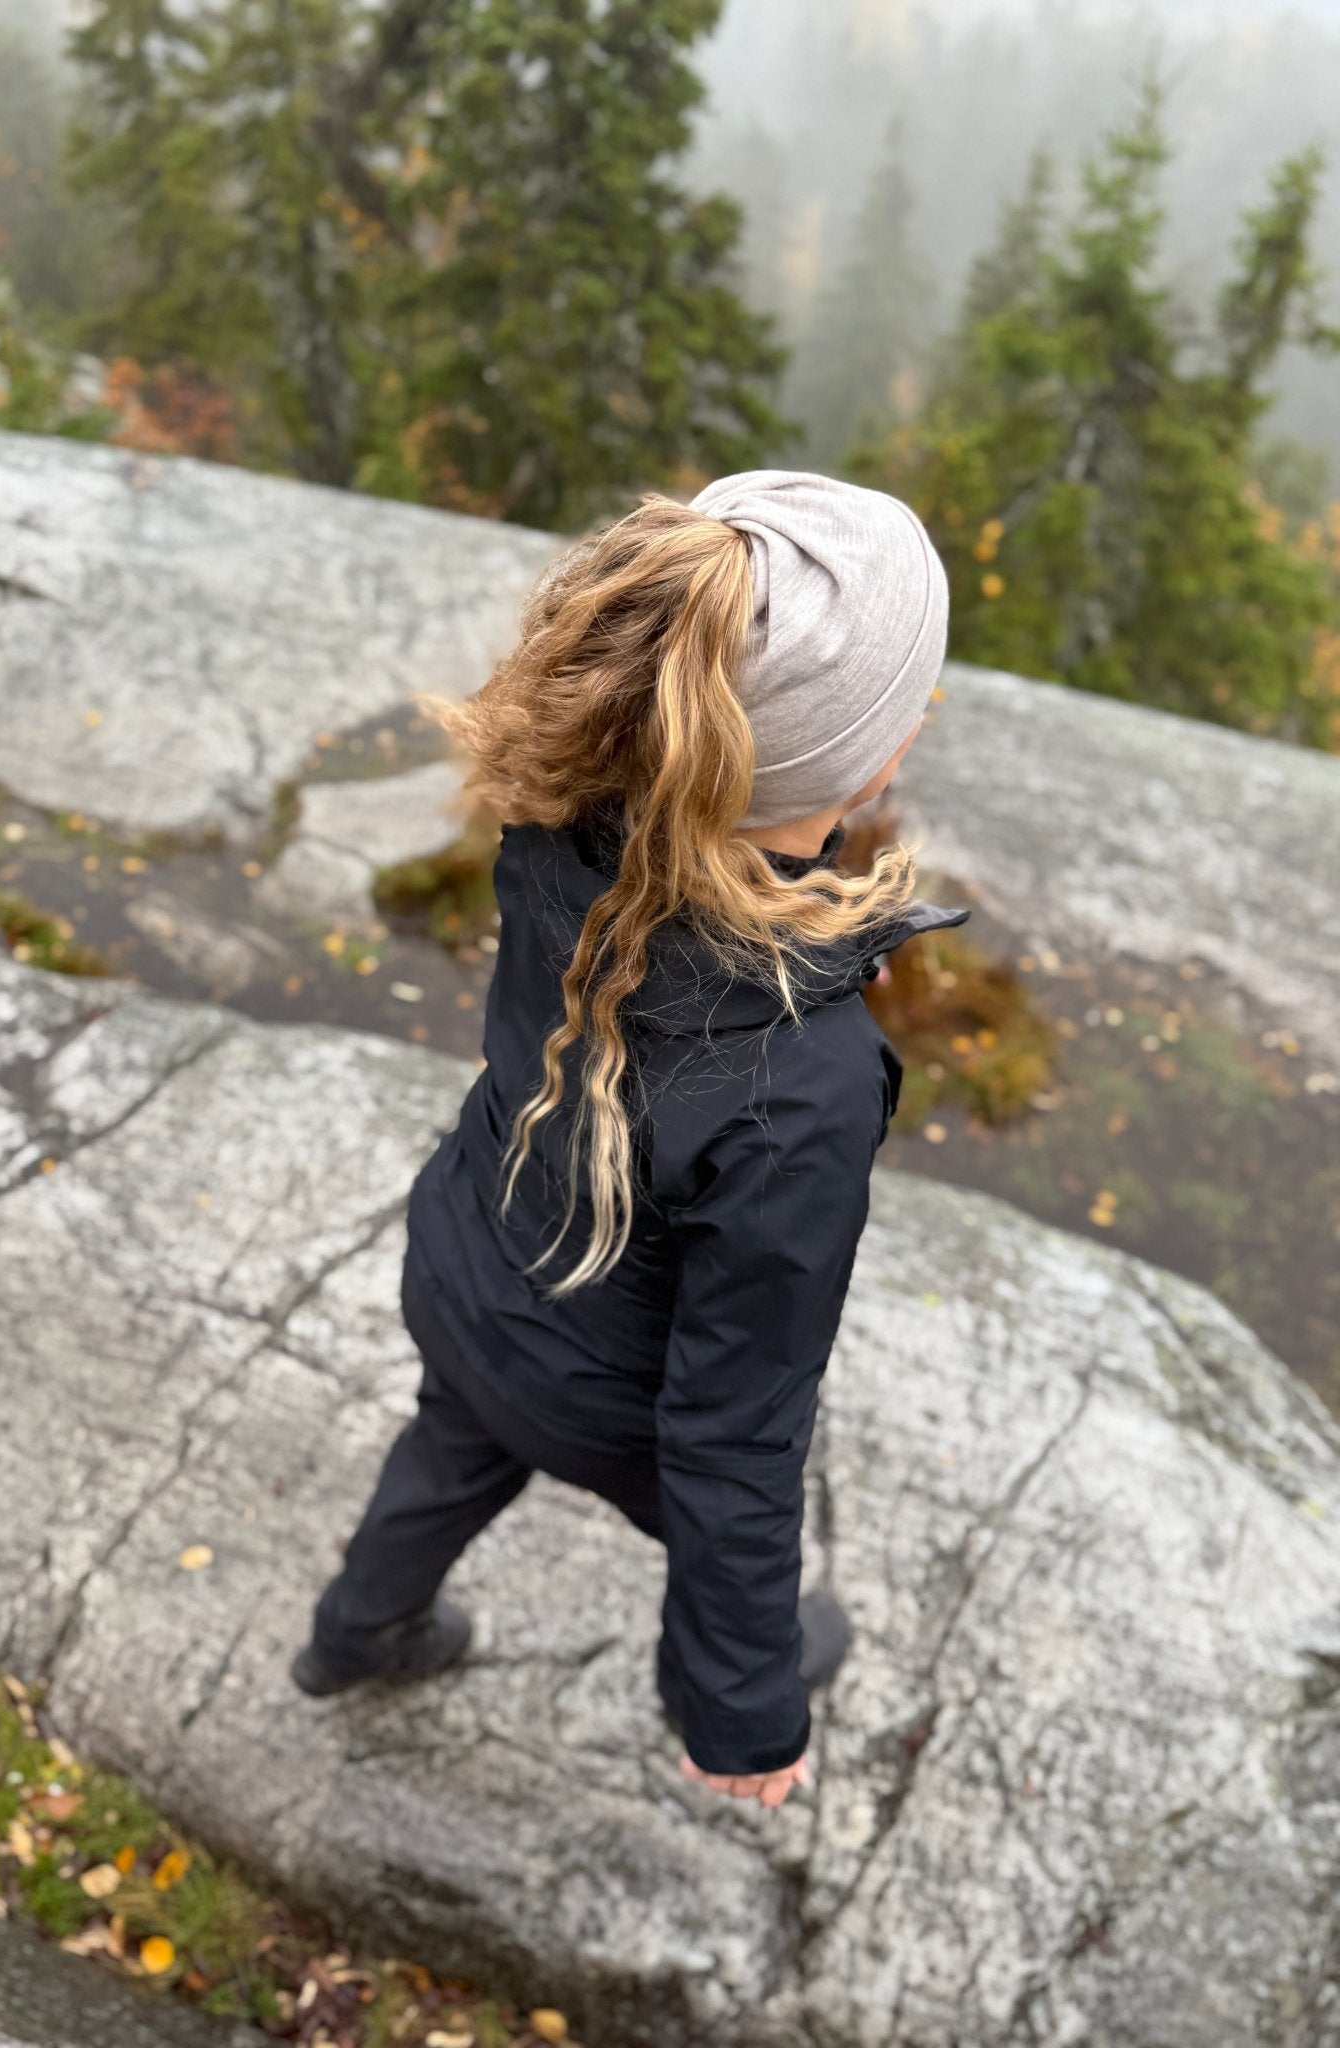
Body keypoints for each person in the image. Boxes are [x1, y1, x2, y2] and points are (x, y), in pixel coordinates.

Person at [291, 470, 970, 1810]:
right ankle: (698, 1687)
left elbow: (642, 985)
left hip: (471, 1270)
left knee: (446, 1449)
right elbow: (735, 1432)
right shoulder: (805, 1081)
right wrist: (747, 1710)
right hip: (614, 1402)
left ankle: (353, 1639)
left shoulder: (559, 808)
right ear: (869, 756)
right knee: (710, 1524)